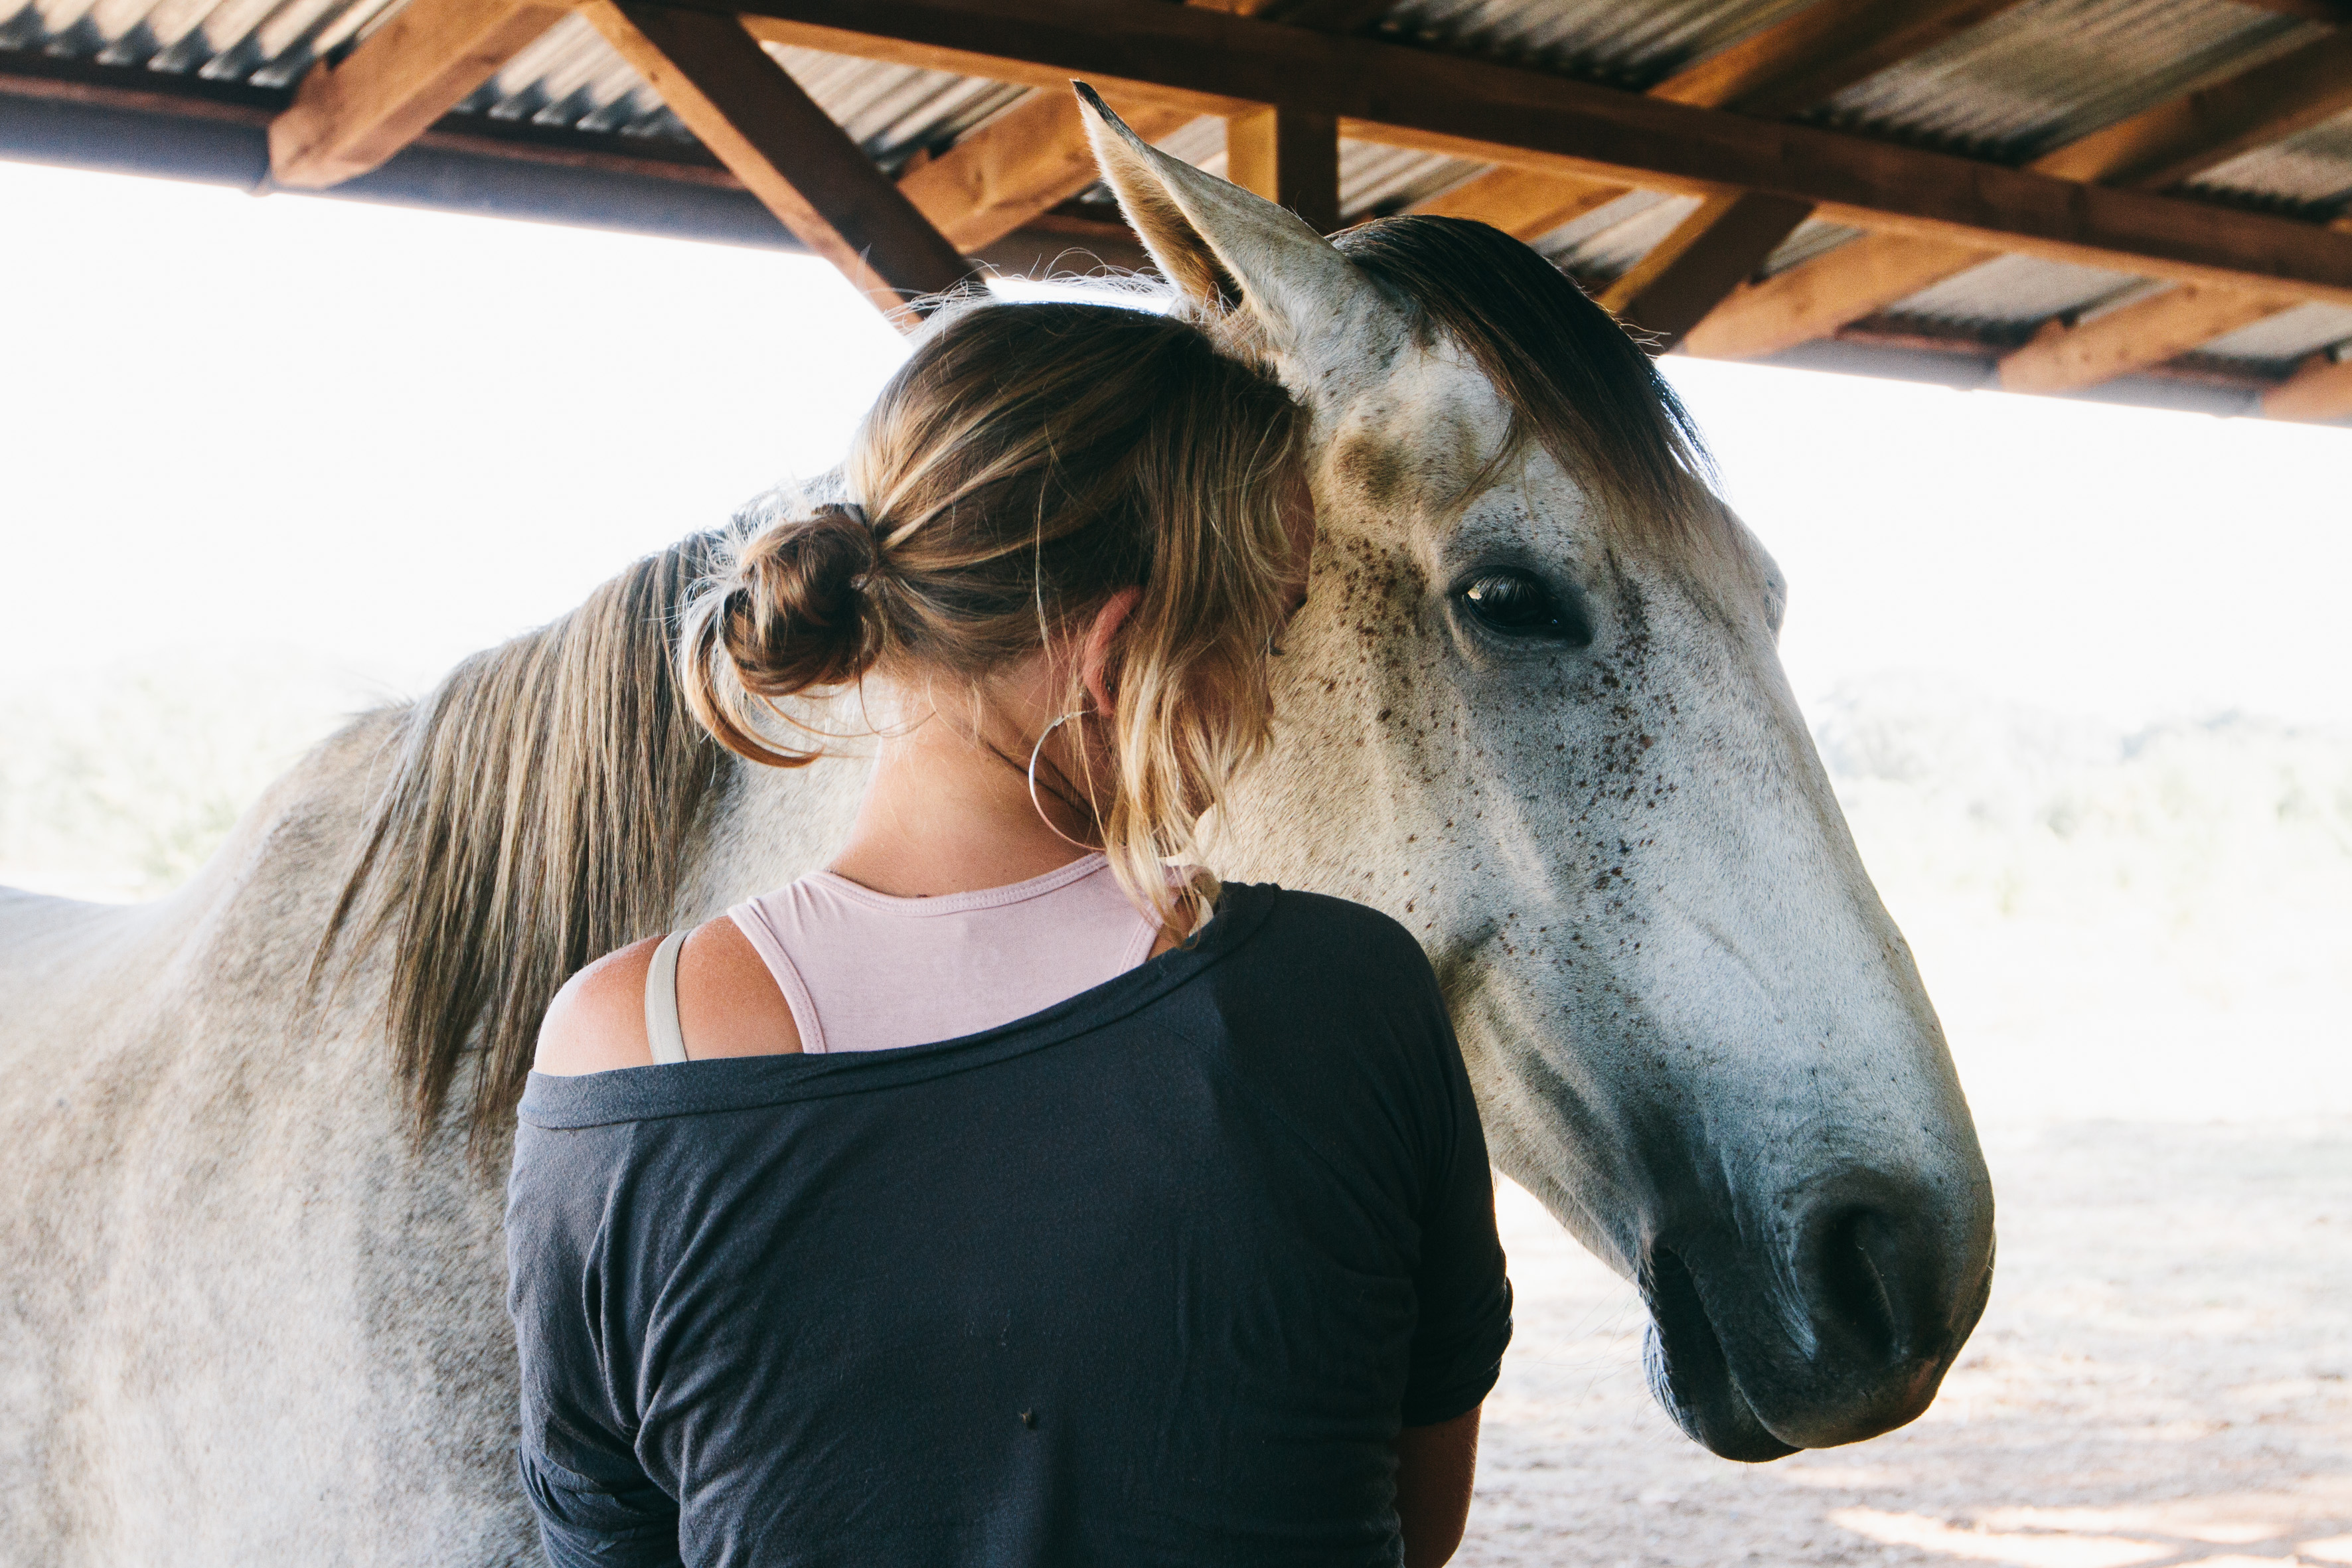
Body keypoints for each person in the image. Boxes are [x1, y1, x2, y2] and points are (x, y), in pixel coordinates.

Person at [508, 297, 1513, 1568]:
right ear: (1119, 654)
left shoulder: (620, 1050)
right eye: (1262, 632)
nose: (1262, 699)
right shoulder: (1350, 999)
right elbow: (1411, 1524)